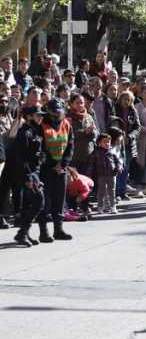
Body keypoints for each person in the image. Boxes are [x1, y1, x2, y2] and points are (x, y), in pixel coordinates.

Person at [36, 99, 75, 241]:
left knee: (59, 201)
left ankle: (58, 230)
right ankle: (44, 232)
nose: (56, 115)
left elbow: (70, 146)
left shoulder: (67, 125)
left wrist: (63, 164)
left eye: (59, 112)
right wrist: (54, 165)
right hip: (46, 169)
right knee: (45, 202)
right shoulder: (42, 126)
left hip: (61, 169)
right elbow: (41, 149)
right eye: (53, 112)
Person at [11, 106, 46, 246]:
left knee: (32, 203)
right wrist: (28, 178)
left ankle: (24, 233)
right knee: (39, 200)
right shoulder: (24, 133)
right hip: (27, 174)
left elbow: (35, 152)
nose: (41, 117)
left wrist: (41, 156)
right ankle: (22, 233)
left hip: (34, 172)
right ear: (30, 116)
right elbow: (20, 158)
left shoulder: (34, 130)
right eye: (38, 115)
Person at [87, 133, 122, 214]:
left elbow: (118, 161)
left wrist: (119, 167)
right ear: (99, 143)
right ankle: (100, 207)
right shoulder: (95, 152)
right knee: (101, 192)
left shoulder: (112, 151)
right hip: (101, 175)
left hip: (112, 175)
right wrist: (88, 175)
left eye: (108, 142)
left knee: (112, 191)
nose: (107, 143)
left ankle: (113, 207)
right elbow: (91, 164)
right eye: (105, 142)